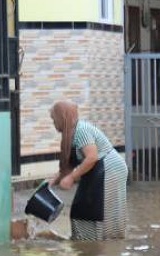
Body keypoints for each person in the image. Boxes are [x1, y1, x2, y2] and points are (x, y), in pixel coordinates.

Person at [49, 101, 129, 240]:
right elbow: (69, 165)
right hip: (96, 170)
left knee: (101, 208)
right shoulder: (70, 134)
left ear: (63, 117)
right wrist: (52, 182)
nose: (54, 123)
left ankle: (105, 241)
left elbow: (91, 157)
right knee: (82, 206)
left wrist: (72, 177)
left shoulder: (81, 130)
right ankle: (85, 241)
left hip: (109, 169)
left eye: (54, 119)